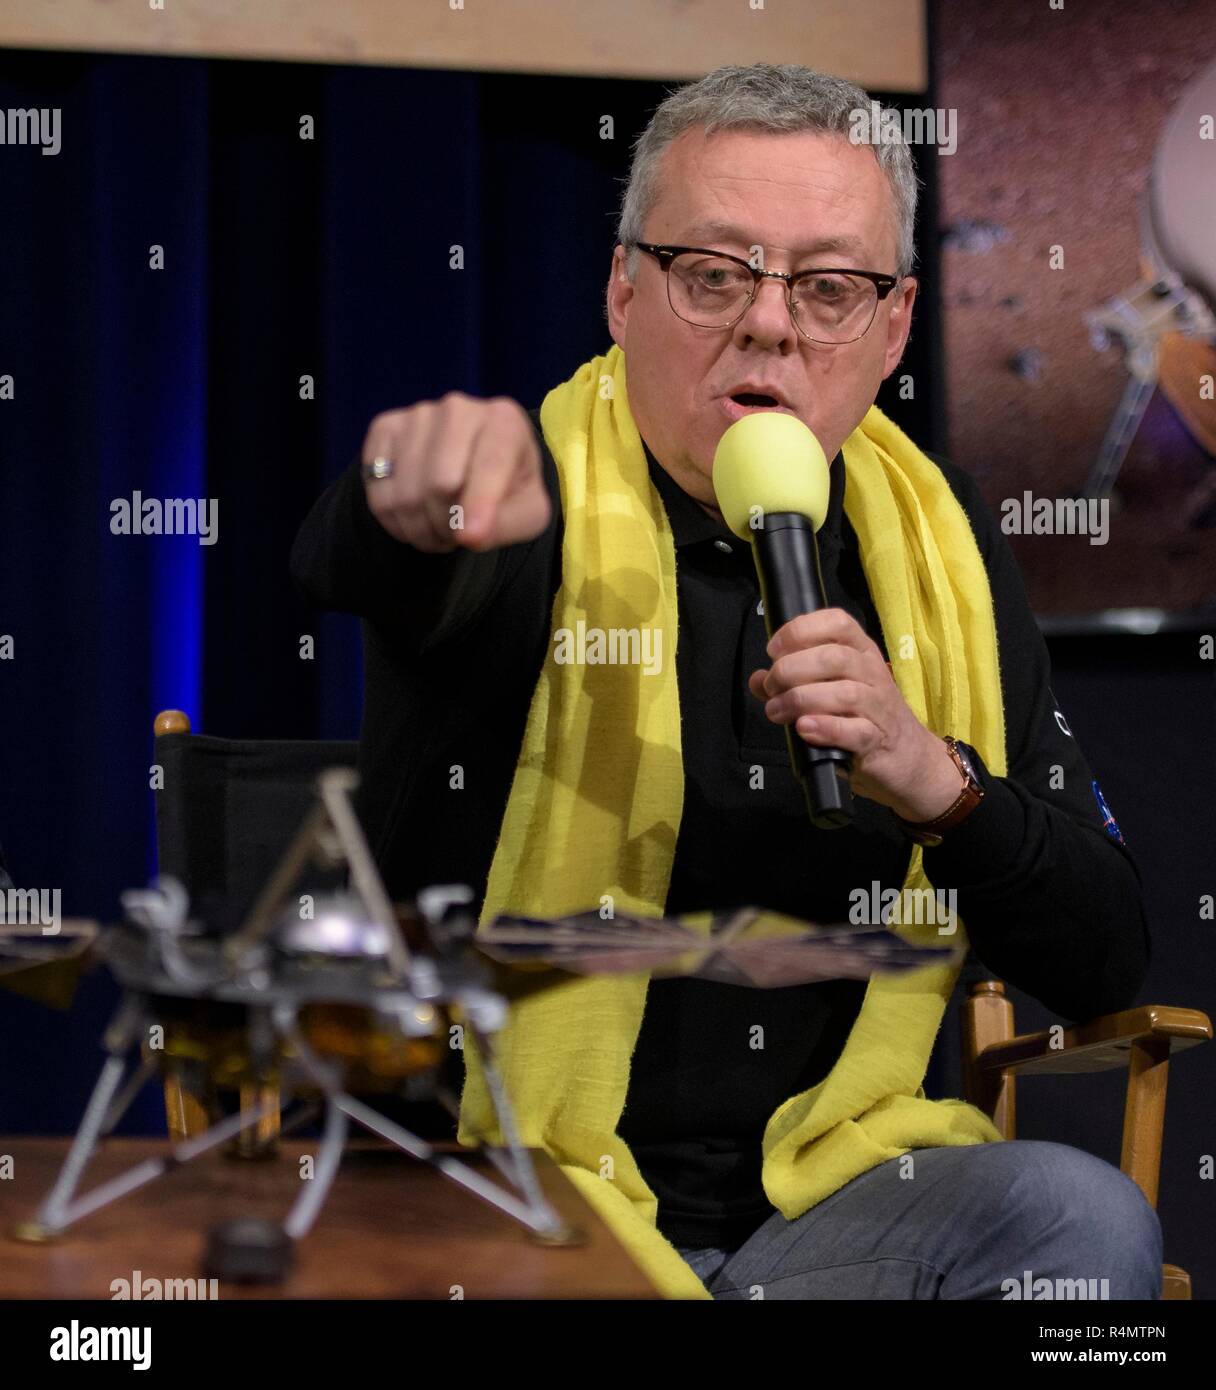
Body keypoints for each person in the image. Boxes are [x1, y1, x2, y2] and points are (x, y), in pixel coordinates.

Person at [291, 63, 1160, 1300]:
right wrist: (403, 499)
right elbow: (350, 554)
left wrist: (935, 782)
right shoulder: (526, 497)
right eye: (714, 276)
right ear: (622, 291)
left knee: (1077, 1217)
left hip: (821, 1225)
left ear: (894, 324)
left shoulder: (943, 542)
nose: (769, 326)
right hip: (514, 1208)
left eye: (827, 288)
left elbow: (1104, 958)